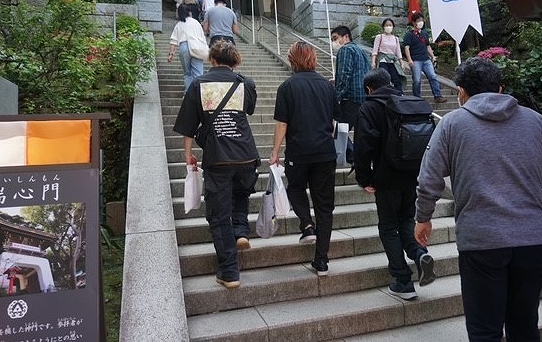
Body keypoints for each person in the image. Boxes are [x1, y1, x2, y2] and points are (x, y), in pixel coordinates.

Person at [414, 57, 542, 340]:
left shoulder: (452, 124)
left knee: (484, 330)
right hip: (533, 240)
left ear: (461, 91)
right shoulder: (536, 122)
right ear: (501, 89)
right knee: (524, 326)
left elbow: (429, 179)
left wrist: (423, 217)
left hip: (482, 241)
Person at [173, 41, 260, 289]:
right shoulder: (246, 83)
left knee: (219, 215)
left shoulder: (198, 84)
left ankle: (229, 271)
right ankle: (241, 231)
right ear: (235, 61)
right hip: (246, 154)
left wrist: (188, 153)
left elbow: (188, 125)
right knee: (242, 194)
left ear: (212, 59)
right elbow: (249, 110)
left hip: (218, 157)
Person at [353, 68, 435, 300]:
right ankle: (419, 254)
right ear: (390, 82)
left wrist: (364, 179)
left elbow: (363, 147)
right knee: (407, 220)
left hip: (386, 178)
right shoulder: (409, 103)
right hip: (413, 174)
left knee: (388, 227)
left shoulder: (369, 107)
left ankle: (402, 281)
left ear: (369, 88)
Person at [269, 41, 340, 276]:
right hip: (325, 152)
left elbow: (282, 123)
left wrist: (275, 152)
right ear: (313, 58)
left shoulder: (287, 87)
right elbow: (334, 120)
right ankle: (322, 261)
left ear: (292, 59)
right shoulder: (327, 86)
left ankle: (307, 224)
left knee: (296, 188)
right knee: (325, 206)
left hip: (298, 152)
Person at [403, 11, 447, 103]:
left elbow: (428, 46)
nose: (421, 22)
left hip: (426, 60)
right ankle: (417, 98)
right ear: (414, 22)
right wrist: (410, 60)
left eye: (422, 20)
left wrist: (433, 56)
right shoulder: (409, 35)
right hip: (416, 60)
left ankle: (438, 96)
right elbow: (407, 48)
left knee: (433, 76)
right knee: (417, 80)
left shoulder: (425, 33)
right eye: (419, 20)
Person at [331, 25, 370, 129]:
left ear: (346, 37)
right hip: (364, 98)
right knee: (360, 133)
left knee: (340, 133)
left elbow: (344, 74)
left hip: (350, 99)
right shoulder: (361, 51)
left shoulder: (345, 49)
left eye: (335, 38)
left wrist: (337, 97)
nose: (333, 42)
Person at [168, 5, 206, 92]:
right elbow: (202, 37)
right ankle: (198, 94)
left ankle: (188, 94)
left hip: (184, 47)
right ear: (190, 12)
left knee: (187, 73)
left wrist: (171, 54)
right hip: (197, 47)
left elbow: (173, 41)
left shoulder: (179, 24)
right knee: (198, 74)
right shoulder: (196, 23)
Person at [371, 18, 405, 93]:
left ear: (393, 27)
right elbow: (375, 50)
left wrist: (401, 63)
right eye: (387, 25)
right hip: (383, 60)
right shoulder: (379, 37)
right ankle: (385, 95)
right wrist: (373, 62)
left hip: (393, 61)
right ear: (383, 26)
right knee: (384, 79)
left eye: (390, 25)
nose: (388, 27)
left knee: (396, 79)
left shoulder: (395, 38)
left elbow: (398, 51)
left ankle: (400, 95)